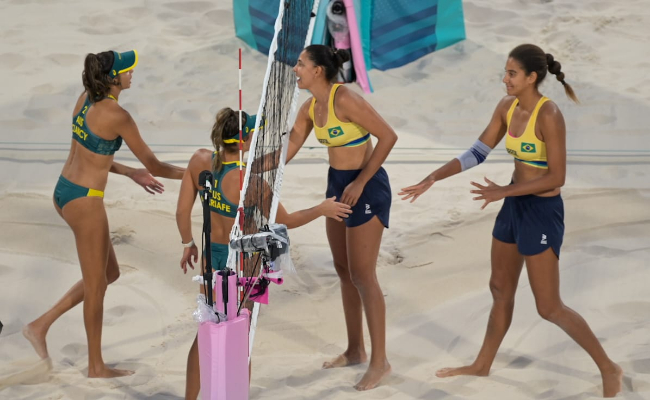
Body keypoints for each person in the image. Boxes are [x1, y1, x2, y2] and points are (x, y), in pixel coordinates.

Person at [399, 44, 622, 397]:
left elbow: (557, 177)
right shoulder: (507, 106)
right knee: (500, 289)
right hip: (512, 204)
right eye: (505, 73)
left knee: (549, 307)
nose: (505, 80)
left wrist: (504, 191)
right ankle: (482, 364)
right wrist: (433, 177)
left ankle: (609, 368)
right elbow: (477, 151)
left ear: (532, 77)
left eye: (512, 74)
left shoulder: (549, 114)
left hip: (541, 212)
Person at [23, 50, 185, 378]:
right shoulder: (119, 115)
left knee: (109, 275)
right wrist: (195, 173)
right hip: (86, 201)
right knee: (97, 286)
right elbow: (155, 165)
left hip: (65, 190)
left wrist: (130, 174)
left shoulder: (85, 99)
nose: (132, 73)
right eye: (127, 70)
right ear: (114, 78)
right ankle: (95, 367)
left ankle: (40, 325)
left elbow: (92, 152)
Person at [176, 107, 352, 399]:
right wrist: (322, 209)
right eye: (253, 132)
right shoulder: (249, 182)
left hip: (210, 257)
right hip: (241, 263)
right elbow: (287, 221)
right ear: (243, 141)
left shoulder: (199, 160)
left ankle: (191, 397)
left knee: (206, 331)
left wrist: (187, 243)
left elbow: (182, 211)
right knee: (240, 337)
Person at [272, 44, 397, 391]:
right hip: (337, 186)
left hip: (366, 186)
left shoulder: (345, 99)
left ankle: (380, 361)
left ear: (318, 71)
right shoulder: (310, 107)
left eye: (300, 64)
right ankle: (355, 349)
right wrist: (250, 164)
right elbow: (288, 150)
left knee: (363, 274)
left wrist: (360, 181)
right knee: (343, 271)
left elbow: (388, 136)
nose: (295, 69)